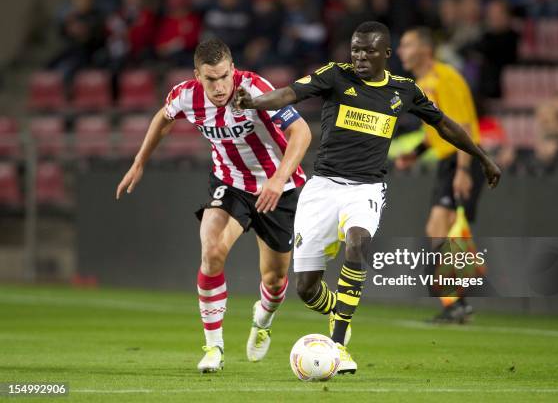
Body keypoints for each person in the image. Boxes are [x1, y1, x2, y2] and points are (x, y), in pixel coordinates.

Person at [235, 21, 501, 374]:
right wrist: (254, 102)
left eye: (368, 50)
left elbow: (445, 124)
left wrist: (482, 157)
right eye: (356, 49)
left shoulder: (403, 90)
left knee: (358, 244)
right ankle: (336, 309)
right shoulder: (335, 76)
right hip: (322, 189)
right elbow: (289, 94)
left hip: (366, 189)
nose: (360, 56)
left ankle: (340, 343)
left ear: (386, 55)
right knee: (306, 287)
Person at [116, 38, 311, 373]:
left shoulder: (255, 88)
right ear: (197, 75)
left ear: (233, 69)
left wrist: (278, 179)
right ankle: (213, 348)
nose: (220, 87)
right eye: (211, 79)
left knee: (276, 279)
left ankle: (262, 320)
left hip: (278, 187)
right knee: (212, 250)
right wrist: (139, 161)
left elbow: (302, 132)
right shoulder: (185, 95)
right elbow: (163, 119)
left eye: (224, 76)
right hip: (229, 183)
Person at [396, 26, 485, 323]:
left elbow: (464, 127)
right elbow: (438, 130)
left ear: (425, 49)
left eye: (407, 45)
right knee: (441, 233)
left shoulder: (445, 77)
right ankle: (456, 302)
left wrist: (463, 170)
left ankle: (457, 300)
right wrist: (417, 152)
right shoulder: (423, 82)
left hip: (464, 159)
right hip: (449, 162)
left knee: (442, 231)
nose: (400, 51)